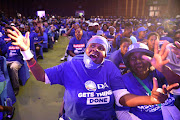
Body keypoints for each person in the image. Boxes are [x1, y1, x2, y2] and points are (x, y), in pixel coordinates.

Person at [7, 26, 177, 120]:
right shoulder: (71, 65)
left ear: (106, 55)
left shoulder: (110, 67)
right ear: (86, 49)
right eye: (92, 46)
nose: (95, 49)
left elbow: (121, 98)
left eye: (101, 48)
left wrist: (151, 99)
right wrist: (27, 52)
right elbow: (41, 76)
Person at [116, 42, 180, 120]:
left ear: (150, 60)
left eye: (142, 57)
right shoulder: (124, 80)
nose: (138, 61)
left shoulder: (159, 73)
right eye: (133, 58)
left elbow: (177, 85)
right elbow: (123, 102)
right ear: (128, 62)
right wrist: (150, 99)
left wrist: (164, 69)